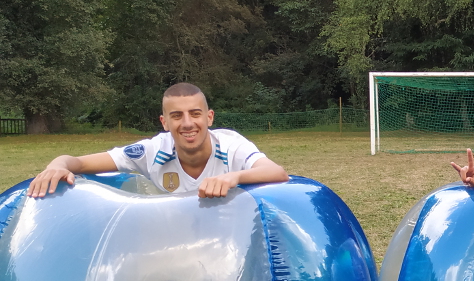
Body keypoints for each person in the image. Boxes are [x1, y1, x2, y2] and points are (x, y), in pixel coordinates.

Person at [27, 82, 289, 198]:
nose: (187, 123)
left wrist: (234, 177)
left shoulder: (231, 144)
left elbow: (277, 172)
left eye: (195, 114)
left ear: (209, 117)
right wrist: (57, 165)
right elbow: (79, 163)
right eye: (176, 116)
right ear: (164, 123)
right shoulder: (151, 150)